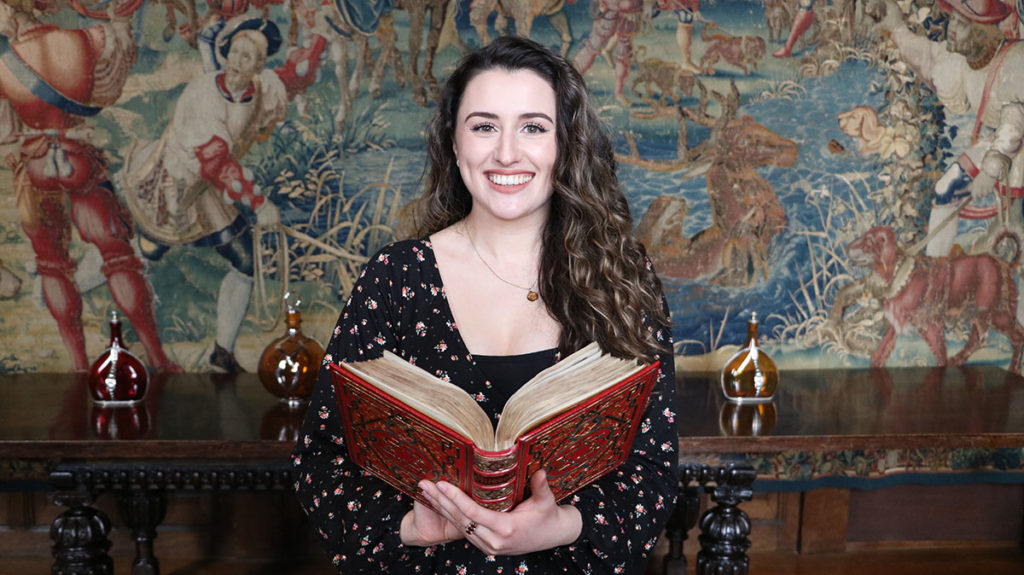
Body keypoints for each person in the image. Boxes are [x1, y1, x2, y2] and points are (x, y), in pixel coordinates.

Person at [292, 35, 679, 573]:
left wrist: (561, 525)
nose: (506, 153)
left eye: (534, 127)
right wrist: (414, 526)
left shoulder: (622, 278)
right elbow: (321, 463)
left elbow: (654, 471)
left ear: (565, 145)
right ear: (454, 144)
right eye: (484, 126)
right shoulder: (394, 276)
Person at [120, 16, 325, 372]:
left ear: (259, 65)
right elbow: (215, 161)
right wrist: (260, 205)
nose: (237, 62)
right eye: (235, 52)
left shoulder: (259, 90)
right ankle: (78, 285)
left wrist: (322, 33)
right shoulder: (203, 94)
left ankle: (222, 355)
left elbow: (296, 75)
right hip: (176, 181)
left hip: (208, 186)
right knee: (146, 251)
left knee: (245, 260)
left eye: (248, 58)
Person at [0, 0, 178, 372]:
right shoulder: (86, 39)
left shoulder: (3, 63)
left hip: (36, 167)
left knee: (52, 267)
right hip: (78, 158)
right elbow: (111, 83)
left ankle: (80, 370)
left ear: (10, 9)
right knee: (118, 258)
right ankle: (159, 359)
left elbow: (6, 135)